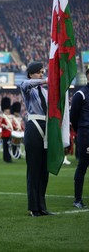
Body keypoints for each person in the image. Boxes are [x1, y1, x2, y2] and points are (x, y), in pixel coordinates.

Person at [20, 61, 53, 217]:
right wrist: (46, 80)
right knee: (33, 170)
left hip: (46, 127)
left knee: (44, 170)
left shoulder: (45, 92)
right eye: (39, 72)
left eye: (43, 72)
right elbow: (26, 84)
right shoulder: (27, 88)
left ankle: (42, 206)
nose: (42, 74)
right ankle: (33, 207)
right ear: (31, 74)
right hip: (34, 125)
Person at [70, 68, 89, 209]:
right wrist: (81, 131)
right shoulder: (81, 94)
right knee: (83, 165)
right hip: (86, 134)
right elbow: (73, 117)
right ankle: (77, 199)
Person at [0, 97, 13, 163]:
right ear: (4, 110)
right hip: (5, 133)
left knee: (10, 147)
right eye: (7, 109)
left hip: (10, 133)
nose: (8, 110)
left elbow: (13, 125)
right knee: (5, 147)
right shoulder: (2, 116)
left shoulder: (11, 116)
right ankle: (5, 158)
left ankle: (9, 158)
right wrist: (4, 126)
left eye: (8, 109)